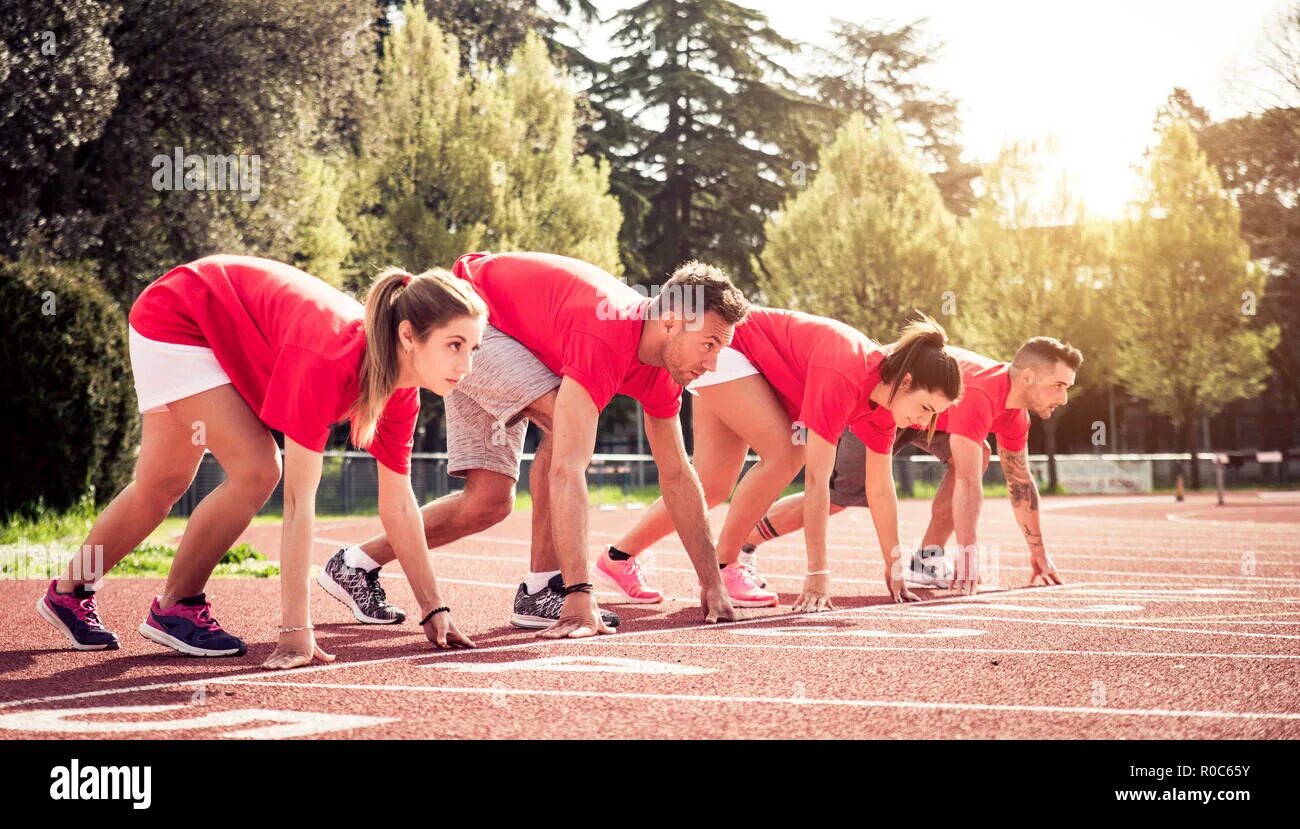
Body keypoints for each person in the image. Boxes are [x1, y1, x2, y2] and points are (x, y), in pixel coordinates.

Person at [37, 255, 484, 668]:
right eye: (454, 345)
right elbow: (298, 502)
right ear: (408, 335)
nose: (465, 364)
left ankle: (70, 591)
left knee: (160, 484)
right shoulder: (329, 360)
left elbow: (399, 505)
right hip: (181, 315)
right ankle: (177, 606)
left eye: (473, 349)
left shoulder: (400, 393)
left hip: (208, 324)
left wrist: (434, 607)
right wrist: (295, 631)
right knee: (258, 470)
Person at [326, 252, 750, 638]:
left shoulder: (662, 371)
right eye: (709, 345)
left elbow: (677, 475)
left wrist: (712, 583)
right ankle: (546, 586)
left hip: (517, 338)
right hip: (473, 321)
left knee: (488, 502)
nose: (711, 363)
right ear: (672, 322)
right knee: (564, 424)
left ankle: (355, 564)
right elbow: (567, 467)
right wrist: (581, 594)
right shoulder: (605, 333)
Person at [596, 312, 963, 610]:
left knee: (712, 483)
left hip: (745, 365)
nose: (922, 423)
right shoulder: (846, 369)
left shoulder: (882, 409)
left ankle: (617, 557)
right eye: (926, 408)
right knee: (788, 454)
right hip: (728, 349)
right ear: (907, 380)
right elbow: (816, 482)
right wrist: (817, 571)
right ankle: (725, 565)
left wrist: (894, 565)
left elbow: (881, 490)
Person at [741, 338, 1083, 595]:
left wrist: (1038, 553)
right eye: (1058, 385)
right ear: (1026, 377)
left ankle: (927, 560)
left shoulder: (1014, 417)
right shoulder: (981, 393)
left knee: (977, 453)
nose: (1064, 398)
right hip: (886, 403)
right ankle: (741, 544)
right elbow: (965, 480)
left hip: (927, 417)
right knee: (842, 497)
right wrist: (968, 556)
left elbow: (1020, 482)